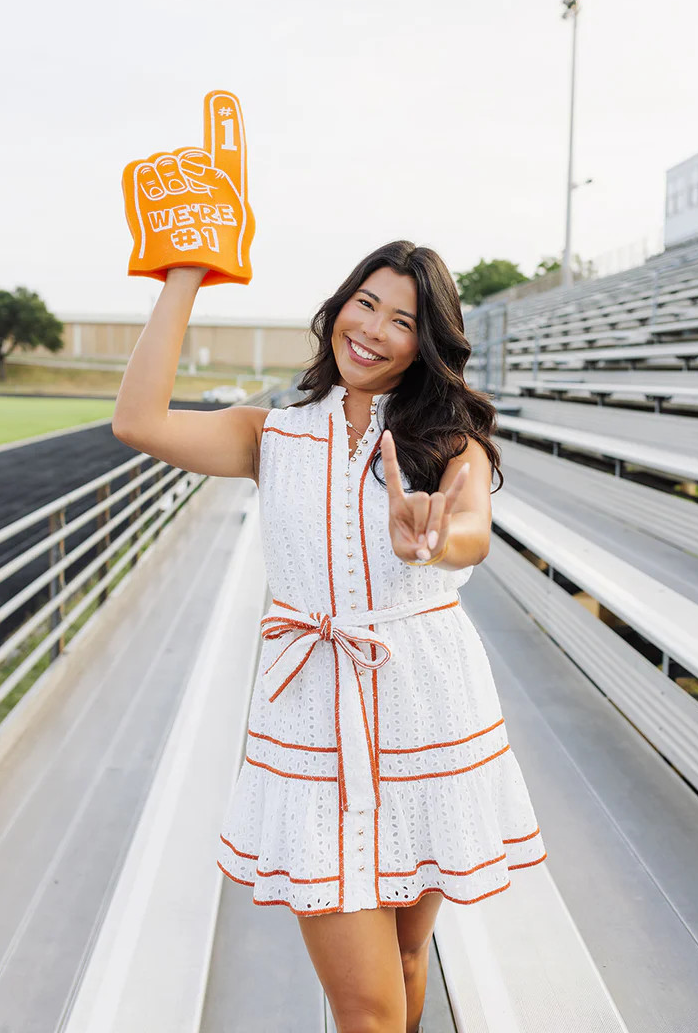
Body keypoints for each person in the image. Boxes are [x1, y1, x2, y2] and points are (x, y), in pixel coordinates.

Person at [112, 238, 547, 1033]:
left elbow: (472, 529)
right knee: (368, 1010)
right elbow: (137, 420)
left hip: (428, 720)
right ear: (339, 306)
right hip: (313, 725)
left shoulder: (450, 443)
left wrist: (434, 539)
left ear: (429, 343)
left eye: (403, 320)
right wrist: (184, 273)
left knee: (413, 959)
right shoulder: (268, 435)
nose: (374, 329)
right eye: (366, 303)